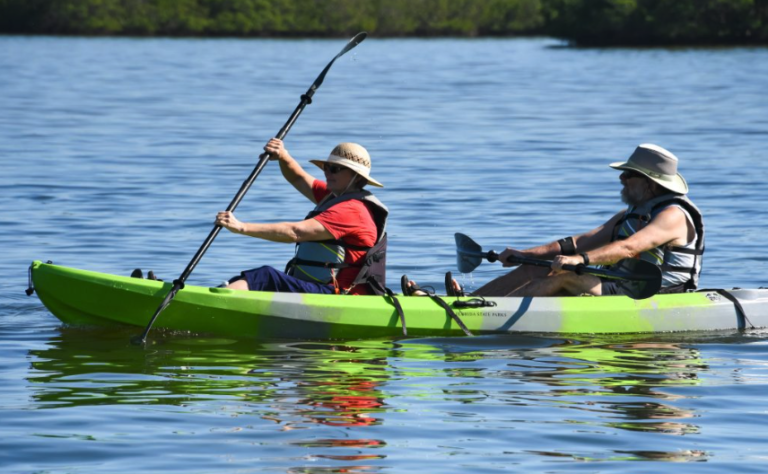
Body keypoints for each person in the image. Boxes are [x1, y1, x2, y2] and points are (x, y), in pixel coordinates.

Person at [468, 143, 704, 297]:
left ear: (651, 182)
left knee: (566, 277)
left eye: (629, 174)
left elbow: (629, 248)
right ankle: (470, 303)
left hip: (657, 292)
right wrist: (527, 255)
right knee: (532, 268)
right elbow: (579, 242)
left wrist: (577, 261)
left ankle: (490, 316)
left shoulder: (673, 216)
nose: (621, 178)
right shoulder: (630, 214)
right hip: (620, 285)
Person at [215, 138, 389, 295]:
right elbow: (299, 178)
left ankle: (217, 304)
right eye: (326, 167)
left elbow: (295, 232)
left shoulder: (352, 211)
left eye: (335, 169)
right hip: (318, 288)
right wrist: (283, 156)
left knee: (266, 277)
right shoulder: (334, 197)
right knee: (249, 279)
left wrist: (241, 227)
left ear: (356, 177)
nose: (327, 173)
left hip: (339, 295)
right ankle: (219, 296)